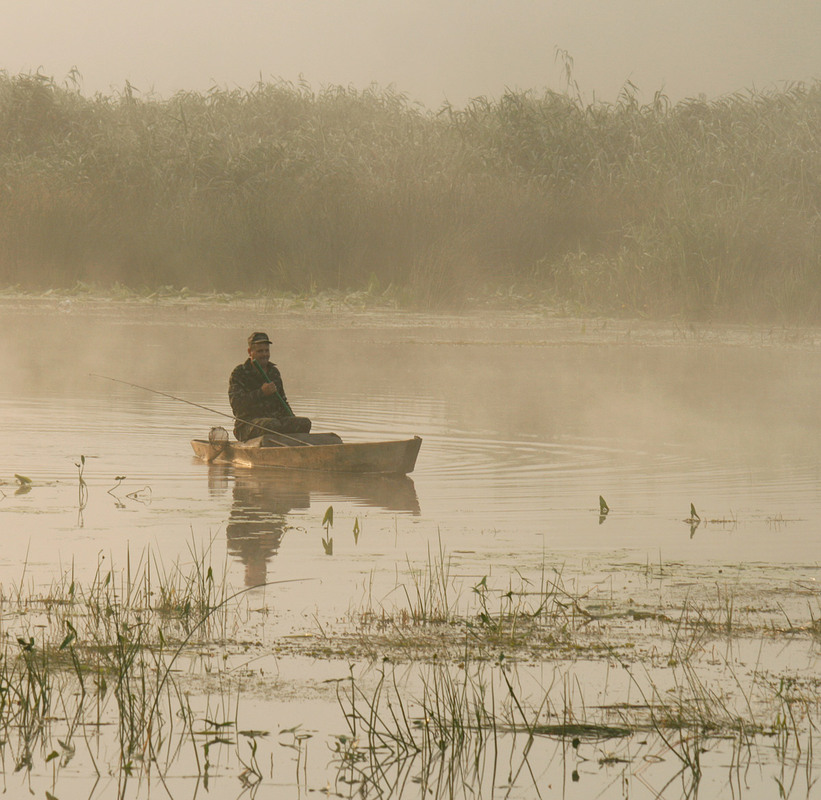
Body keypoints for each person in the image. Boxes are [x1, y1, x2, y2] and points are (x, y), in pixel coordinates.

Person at [229, 332, 312, 441]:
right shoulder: (239, 373)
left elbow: (282, 400)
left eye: (266, 351)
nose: (264, 354)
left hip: (276, 422)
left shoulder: (274, 372)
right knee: (271, 425)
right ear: (250, 352)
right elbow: (237, 405)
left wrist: (292, 418)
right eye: (260, 351)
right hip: (248, 424)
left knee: (304, 423)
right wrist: (261, 393)